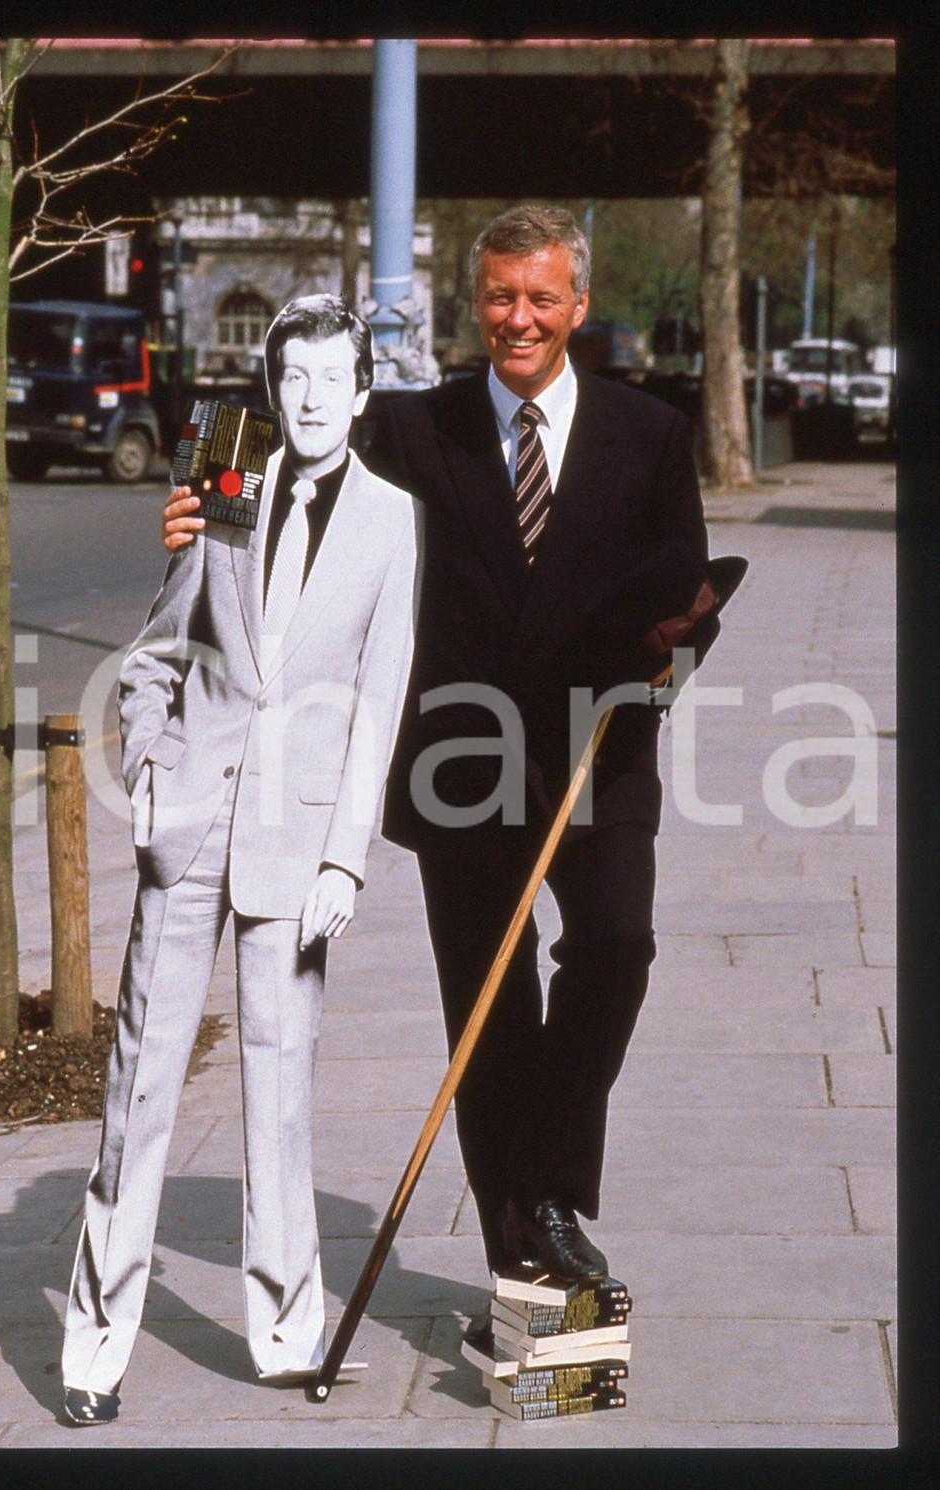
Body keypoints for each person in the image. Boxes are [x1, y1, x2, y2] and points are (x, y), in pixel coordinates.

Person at [162, 208, 726, 1344]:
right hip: (458, 765)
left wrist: (670, 652)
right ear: (478, 302)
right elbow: (279, 441)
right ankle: (526, 1257)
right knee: (490, 1012)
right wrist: (201, 503)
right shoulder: (418, 428)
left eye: (542, 297)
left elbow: (687, 579)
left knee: (618, 943)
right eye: (501, 296)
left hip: (593, 757)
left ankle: (551, 1186)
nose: (520, 318)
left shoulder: (650, 431)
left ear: (576, 304)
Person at [62, 295, 417, 1425]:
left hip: (300, 838)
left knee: (281, 1090)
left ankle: (284, 1331)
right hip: (190, 824)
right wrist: (153, 775)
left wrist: (344, 862)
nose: (309, 400)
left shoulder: (394, 520)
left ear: (363, 393)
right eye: (292, 379)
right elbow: (159, 650)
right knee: (139, 1086)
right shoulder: (224, 487)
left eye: (331, 379)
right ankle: (93, 1345)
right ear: (272, 390)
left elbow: (378, 702)